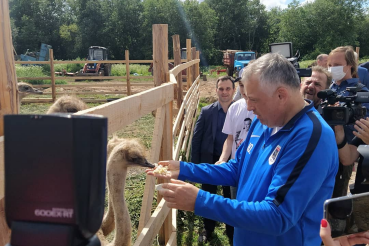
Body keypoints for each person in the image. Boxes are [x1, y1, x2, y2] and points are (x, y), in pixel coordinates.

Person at [147, 53, 339, 246]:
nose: (248, 107)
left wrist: (200, 201)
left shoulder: (311, 136)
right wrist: (184, 169)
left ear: (281, 95)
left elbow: (278, 216)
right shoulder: (264, 121)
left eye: (253, 99)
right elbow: (238, 168)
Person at [190, 75, 235, 243]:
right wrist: (196, 168)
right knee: (207, 196)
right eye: (221, 89)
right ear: (216, 90)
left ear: (233, 90)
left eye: (228, 88)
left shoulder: (240, 111)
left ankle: (232, 232)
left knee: (230, 198)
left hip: (232, 163)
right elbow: (197, 138)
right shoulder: (207, 111)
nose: (224, 92)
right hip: (210, 162)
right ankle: (208, 229)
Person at [216, 78, 255, 199]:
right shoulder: (234, 108)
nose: (244, 90)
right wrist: (222, 160)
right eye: (241, 85)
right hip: (236, 167)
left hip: (254, 168)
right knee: (236, 203)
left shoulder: (265, 108)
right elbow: (230, 138)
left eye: (248, 84)